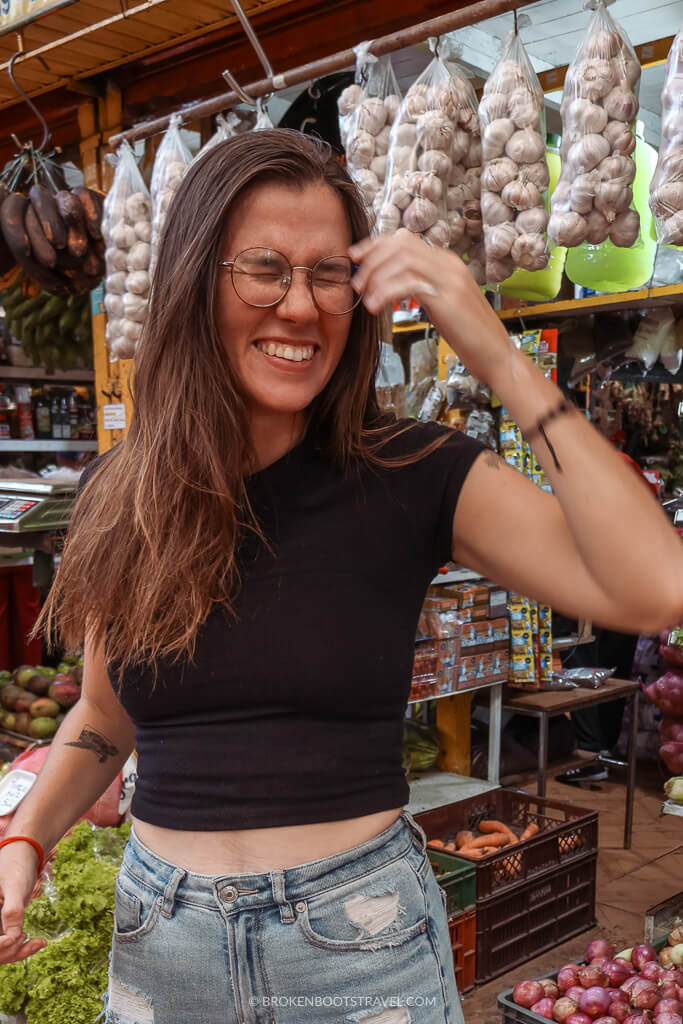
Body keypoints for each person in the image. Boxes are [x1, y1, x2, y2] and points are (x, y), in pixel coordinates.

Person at [0, 130, 680, 1024]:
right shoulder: (118, 495)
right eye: (263, 268)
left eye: (329, 275)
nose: (299, 305)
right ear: (196, 283)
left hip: (356, 941)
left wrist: (489, 344)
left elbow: (653, 586)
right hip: (161, 940)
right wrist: (26, 840)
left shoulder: (413, 472)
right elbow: (105, 714)